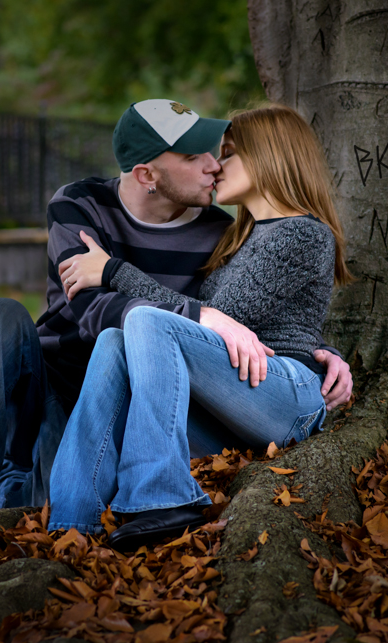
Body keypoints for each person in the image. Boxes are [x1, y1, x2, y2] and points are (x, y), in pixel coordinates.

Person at [0, 99, 353, 538]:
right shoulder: (80, 205)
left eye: (218, 154)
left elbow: (253, 310)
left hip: (132, 388)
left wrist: (319, 351)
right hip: (57, 374)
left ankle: (41, 497)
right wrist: (202, 314)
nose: (213, 165)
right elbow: (90, 310)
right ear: (146, 175)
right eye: (195, 157)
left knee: (39, 499)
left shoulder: (220, 231)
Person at [47, 103, 353, 551]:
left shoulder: (301, 233)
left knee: (147, 319)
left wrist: (113, 270)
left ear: (269, 157)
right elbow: (218, 321)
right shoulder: (239, 237)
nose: (214, 166)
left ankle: (161, 497)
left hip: (288, 395)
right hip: (243, 392)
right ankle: (73, 520)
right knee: (114, 339)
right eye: (210, 156)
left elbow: (219, 320)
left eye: (227, 153)